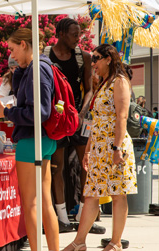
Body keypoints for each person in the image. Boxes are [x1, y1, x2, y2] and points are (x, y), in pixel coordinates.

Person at [63, 44, 137, 251]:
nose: (93, 63)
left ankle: (115, 243)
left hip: (114, 146)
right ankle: (79, 242)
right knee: (91, 195)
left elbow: (121, 117)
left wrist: (116, 148)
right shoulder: (104, 83)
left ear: (108, 59)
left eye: (96, 58)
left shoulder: (120, 81)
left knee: (117, 194)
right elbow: (95, 122)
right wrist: (87, 150)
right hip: (98, 146)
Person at [0, 28, 59, 251]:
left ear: (24, 44)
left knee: (31, 203)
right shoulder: (39, 66)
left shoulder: (38, 69)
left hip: (32, 139)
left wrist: (7, 114)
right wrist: (21, 69)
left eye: (13, 49)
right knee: (44, 202)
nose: (11, 55)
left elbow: (37, 113)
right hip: (44, 139)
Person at [44, 17, 103, 233]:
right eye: (73, 33)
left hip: (80, 116)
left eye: (79, 33)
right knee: (57, 166)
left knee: (85, 164)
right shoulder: (46, 55)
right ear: (60, 33)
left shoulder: (84, 57)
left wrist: (81, 113)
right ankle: (61, 217)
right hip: (57, 118)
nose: (78, 37)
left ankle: (84, 215)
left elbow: (89, 89)